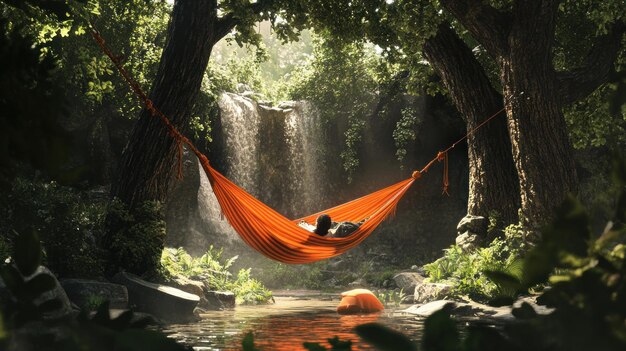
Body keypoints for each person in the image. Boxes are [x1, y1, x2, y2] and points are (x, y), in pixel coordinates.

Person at [298, 214, 365, 238]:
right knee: (346, 224)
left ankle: (364, 221)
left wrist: (303, 223)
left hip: (337, 231)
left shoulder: (313, 233)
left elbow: (307, 226)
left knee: (344, 224)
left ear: (317, 224)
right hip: (340, 232)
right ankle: (365, 221)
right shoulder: (340, 229)